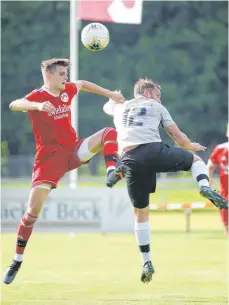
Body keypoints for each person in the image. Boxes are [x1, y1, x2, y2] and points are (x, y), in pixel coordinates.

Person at [3, 58, 126, 285]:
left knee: (109, 132)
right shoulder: (37, 97)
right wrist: (37, 106)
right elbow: (14, 104)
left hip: (72, 150)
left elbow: (82, 84)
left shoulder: (67, 90)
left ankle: (112, 171)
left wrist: (111, 94)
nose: (65, 77)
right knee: (31, 213)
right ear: (48, 75)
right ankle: (16, 260)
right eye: (61, 73)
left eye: (65, 73)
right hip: (48, 160)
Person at [104, 78, 228, 283]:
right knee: (196, 161)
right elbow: (178, 137)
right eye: (158, 94)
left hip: (130, 158)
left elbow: (107, 105)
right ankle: (205, 187)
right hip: (154, 150)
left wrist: (113, 96)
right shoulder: (156, 106)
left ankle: (146, 260)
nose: (159, 98)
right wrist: (190, 146)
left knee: (141, 213)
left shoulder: (119, 108)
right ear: (148, 93)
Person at [207, 126, 228, 234]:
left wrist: (208, 182)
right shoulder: (220, 148)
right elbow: (210, 167)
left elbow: (210, 167)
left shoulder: (221, 148)